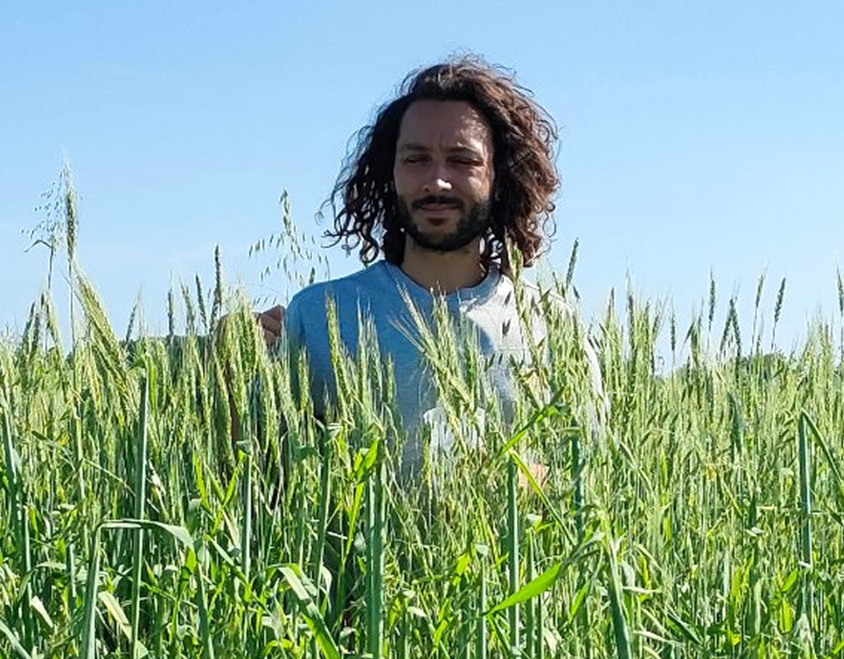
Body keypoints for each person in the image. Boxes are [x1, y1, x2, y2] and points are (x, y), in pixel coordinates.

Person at [257, 56, 603, 465]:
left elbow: (590, 483)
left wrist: (526, 483)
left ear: (499, 178)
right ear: (391, 174)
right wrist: (233, 363)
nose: (436, 181)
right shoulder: (319, 315)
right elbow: (263, 480)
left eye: (463, 160)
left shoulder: (554, 327)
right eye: (415, 158)